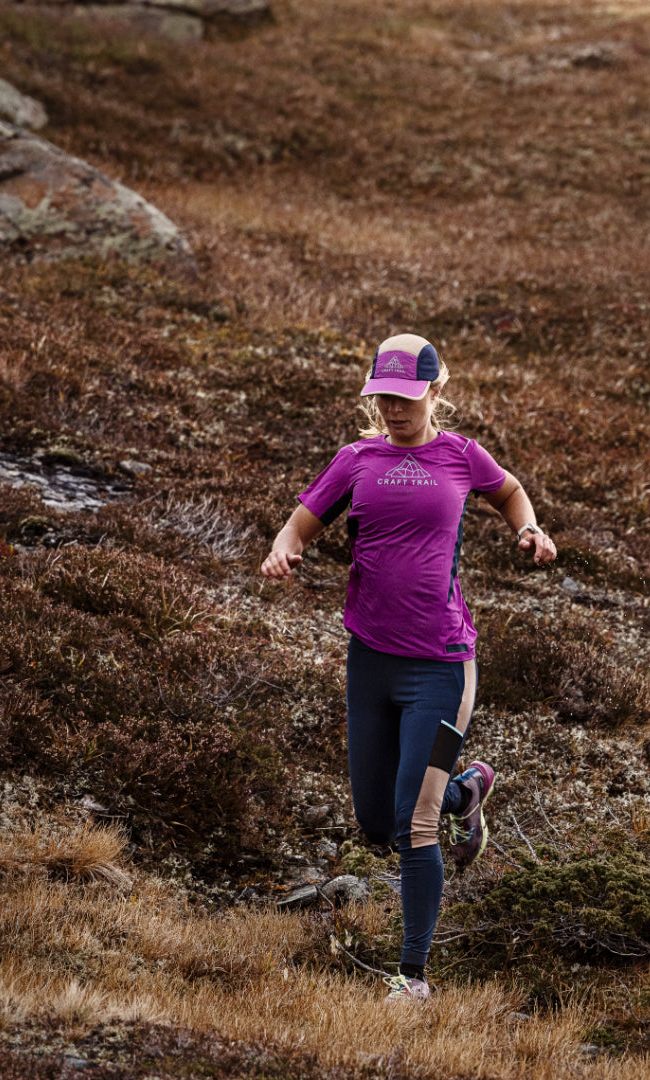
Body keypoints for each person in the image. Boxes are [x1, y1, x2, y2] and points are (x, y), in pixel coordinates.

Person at [260, 333, 557, 1002]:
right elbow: (298, 525)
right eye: (383, 398)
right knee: (377, 823)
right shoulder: (356, 461)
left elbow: (511, 491)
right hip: (371, 662)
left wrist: (527, 528)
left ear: (434, 391)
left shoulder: (461, 456)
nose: (394, 409)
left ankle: (412, 978)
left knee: (414, 825)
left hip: (442, 666)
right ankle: (466, 792)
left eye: (406, 397)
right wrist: (283, 550)